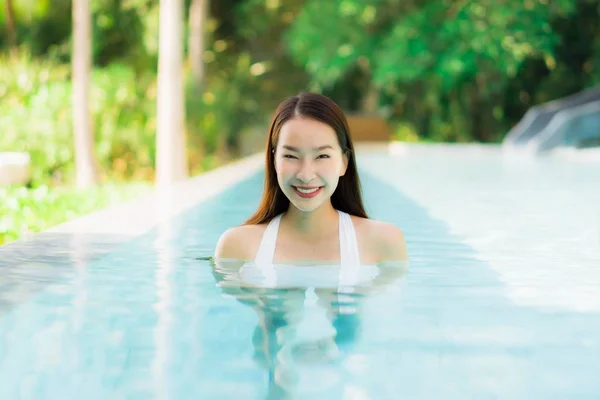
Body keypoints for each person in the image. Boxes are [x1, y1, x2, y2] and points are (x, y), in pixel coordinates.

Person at [214, 91, 408, 269]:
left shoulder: (385, 242)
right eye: (291, 156)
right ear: (274, 160)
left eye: (322, 156)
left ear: (344, 162)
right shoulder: (237, 247)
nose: (306, 175)